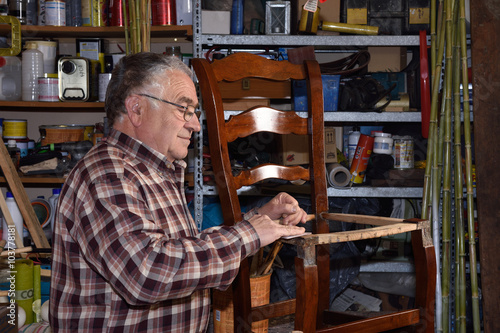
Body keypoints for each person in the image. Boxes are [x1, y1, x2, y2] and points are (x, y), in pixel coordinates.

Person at [49, 52, 307, 332]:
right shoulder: (107, 173)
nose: (195, 124)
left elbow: (179, 250)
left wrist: (258, 219)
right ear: (136, 109)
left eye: (194, 111)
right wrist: (248, 234)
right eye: (184, 108)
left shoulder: (153, 170)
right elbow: (146, 273)